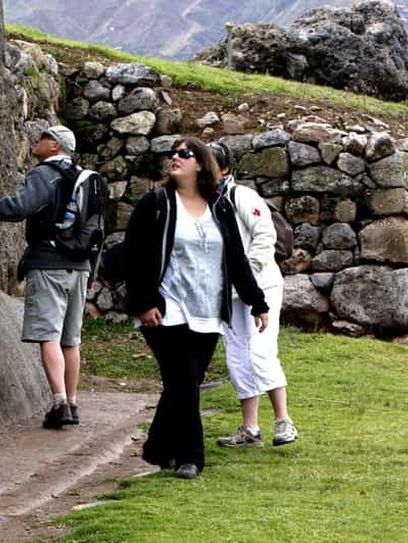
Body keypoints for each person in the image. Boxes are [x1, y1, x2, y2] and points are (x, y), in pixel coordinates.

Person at [124, 137, 269, 479]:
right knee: (183, 381)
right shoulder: (157, 202)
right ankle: (192, 456)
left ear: (202, 164)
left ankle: (159, 446)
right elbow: (135, 256)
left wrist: (256, 301)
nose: (175, 158)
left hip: (207, 311)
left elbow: (235, 259)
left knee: (183, 382)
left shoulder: (219, 207)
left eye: (184, 154)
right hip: (167, 308)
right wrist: (144, 302)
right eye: (172, 153)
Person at [0, 125, 88, 430]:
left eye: (42, 138)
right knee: (71, 339)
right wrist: (90, 267)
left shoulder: (44, 175)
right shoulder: (84, 179)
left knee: (49, 335)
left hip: (49, 264)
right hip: (80, 267)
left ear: (54, 146)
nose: (36, 141)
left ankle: (59, 403)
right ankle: (73, 401)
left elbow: (20, 207)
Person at [209, 141, 299, 448]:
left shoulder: (241, 196)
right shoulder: (198, 201)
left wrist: (247, 270)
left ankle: (284, 421)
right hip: (226, 291)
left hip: (261, 285)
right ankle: (250, 428)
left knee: (261, 351)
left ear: (224, 168)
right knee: (236, 356)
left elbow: (264, 235)